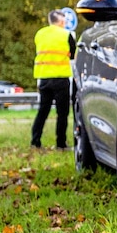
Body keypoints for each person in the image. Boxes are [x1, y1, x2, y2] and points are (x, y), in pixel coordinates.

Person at [31, 9, 76, 149]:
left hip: (44, 77)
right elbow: (73, 54)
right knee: (62, 113)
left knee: (42, 111)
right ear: (62, 21)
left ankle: (35, 141)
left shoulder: (40, 34)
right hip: (61, 78)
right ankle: (61, 143)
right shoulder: (66, 34)